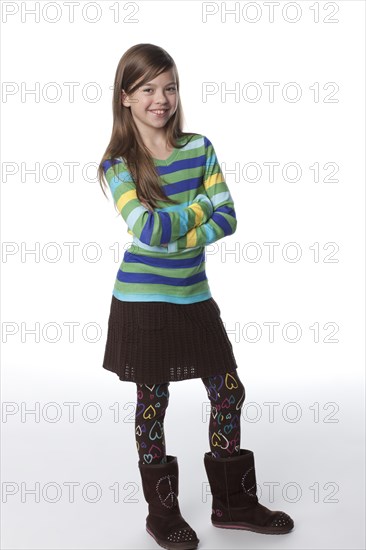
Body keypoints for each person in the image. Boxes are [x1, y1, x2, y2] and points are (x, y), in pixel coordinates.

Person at [98, 43, 294, 550]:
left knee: (227, 390)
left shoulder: (199, 147)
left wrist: (182, 220)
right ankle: (161, 514)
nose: (160, 99)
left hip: (194, 297)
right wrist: (200, 207)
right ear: (126, 97)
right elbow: (145, 228)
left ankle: (234, 504)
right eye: (147, 90)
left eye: (169, 87)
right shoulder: (119, 165)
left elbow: (227, 218)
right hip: (142, 302)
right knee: (152, 401)